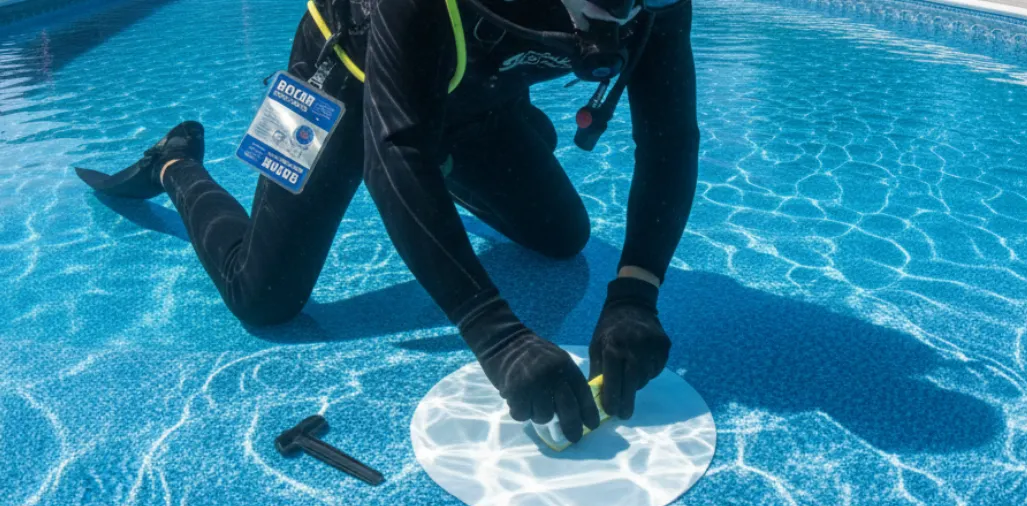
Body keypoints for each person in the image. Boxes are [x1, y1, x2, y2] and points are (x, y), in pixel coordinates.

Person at [76, 0, 698, 443]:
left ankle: (456, 163)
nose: (625, 15)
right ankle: (175, 163)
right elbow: (391, 152)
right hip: (334, 79)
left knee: (564, 237)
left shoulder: (655, 4)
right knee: (261, 296)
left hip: (471, 100)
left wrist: (636, 293)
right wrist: (498, 336)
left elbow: (670, 136)